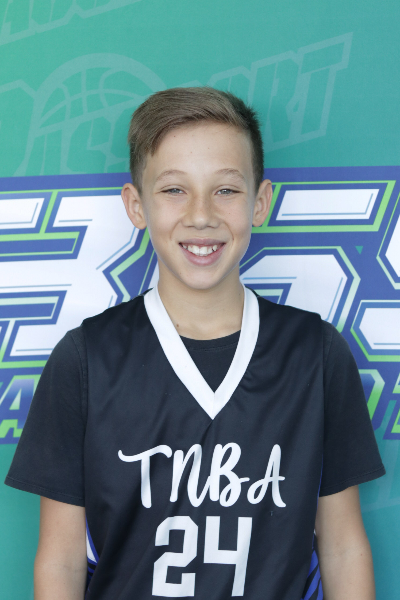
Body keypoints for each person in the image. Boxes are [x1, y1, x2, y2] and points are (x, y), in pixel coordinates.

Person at [5, 87, 385, 600]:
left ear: (260, 202)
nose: (201, 214)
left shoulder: (314, 353)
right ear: (136, 205)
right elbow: (62, 559)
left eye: (225, 189)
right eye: (174, 190)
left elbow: (342, 546)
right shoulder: (86, 360)